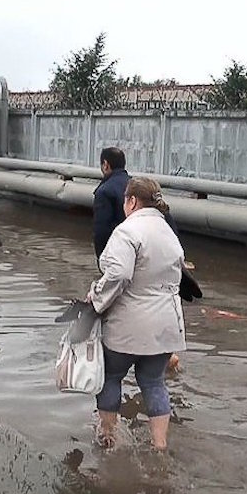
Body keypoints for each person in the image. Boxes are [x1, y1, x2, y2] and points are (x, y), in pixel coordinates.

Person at [88, 177, 187, 451]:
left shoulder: (127, 231)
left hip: (128, 326)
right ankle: (160, 446)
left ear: (132, 201)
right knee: (154, 383)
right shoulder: (169, 232)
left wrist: (96, 298)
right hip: (166, 325)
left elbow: (119, 275)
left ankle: (108, 438)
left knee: (111, 377)